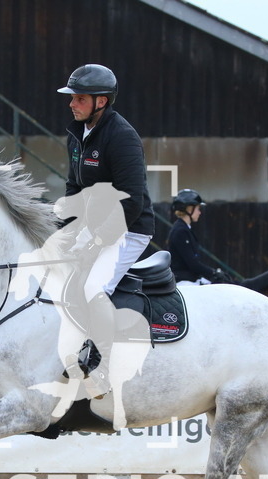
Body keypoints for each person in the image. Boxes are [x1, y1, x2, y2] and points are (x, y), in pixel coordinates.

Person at [57, 64, 154, 397]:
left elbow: (131, 201)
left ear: (101, 101)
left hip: (129, 227)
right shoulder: (78, 134)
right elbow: (74, 187)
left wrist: (97, 240)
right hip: (95, 226)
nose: (72, 104)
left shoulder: (122, 136)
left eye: (79, 98)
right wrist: (67, 232)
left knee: (93, 286)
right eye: (72, 98)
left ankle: (104, 369)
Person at [168, 188, 219, 286]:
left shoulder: (185, 228)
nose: (200, 212)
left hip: (191, 278)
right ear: (189, 209)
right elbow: (193, 264)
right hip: (184, 281)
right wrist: (213, 273)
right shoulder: (180, 231)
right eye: (198, 209)